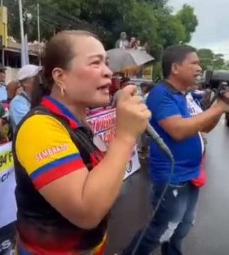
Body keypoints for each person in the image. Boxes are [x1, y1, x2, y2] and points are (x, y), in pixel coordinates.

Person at [13, 30, 151, 254]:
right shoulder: (39, 127)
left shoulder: (78, 122)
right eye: (95, 63)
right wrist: (126, 136)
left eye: (106, 63)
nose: (108, 72)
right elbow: (86, 213)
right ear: (60, 77)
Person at [124, 45, 229, 255]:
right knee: (161, 229)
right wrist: (218, 108)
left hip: (190, 174)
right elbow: (178, 131)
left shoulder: (183, 95)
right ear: (176, 68)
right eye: (194, 62)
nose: (200, 67)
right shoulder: (161, 94)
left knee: (182, 228)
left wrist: (220, 109)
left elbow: (204, 127)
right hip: (173, 178)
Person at [9, 64, 41, 130]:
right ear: (24, 83)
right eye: (36, 77)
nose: (40, 80)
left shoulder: (40, 98)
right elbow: (30, 127)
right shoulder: (18, 103)